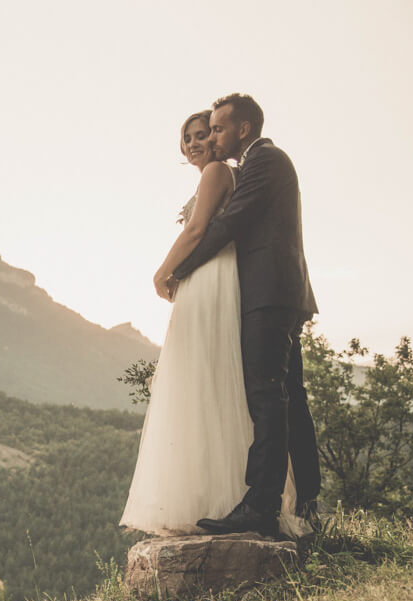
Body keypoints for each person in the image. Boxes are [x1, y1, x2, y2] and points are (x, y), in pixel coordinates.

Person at [119, 102, 310, 538]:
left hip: (248, 286)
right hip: (245, 286)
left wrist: (169, 271)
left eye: (210, 131)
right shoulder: (241, 168)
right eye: (190, 137)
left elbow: (210, 230)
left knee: (261, 393)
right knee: (250, 391)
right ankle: (244, 499)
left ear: (240, 129)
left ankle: (264, 505)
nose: (202, 141)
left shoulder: (247, 164)